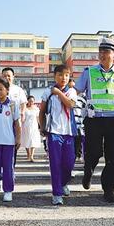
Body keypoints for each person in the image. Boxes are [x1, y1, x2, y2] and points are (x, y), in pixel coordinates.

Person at [74, 37, 114, 203]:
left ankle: (109, 190)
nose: (102, 55)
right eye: (100, 51)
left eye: (106, 52)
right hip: (94, 120)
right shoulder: (89, 72)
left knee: (112, 157)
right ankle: (88, 171)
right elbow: (76, 90)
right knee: (94, 152)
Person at [39, 65, 77, 205]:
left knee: (69, 162)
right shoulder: (47, 92)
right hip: (54, 132)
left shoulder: (71, 91)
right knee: (55, 163)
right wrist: (42, 127)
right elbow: (42, 111)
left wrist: (58, 93)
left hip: (68, 132)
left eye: (66, 75)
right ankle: (56, 194)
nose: (63, 78)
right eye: (60, 75)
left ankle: (63, 183)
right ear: (54, 76)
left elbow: (70, 105)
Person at [0, 67, 27, 164]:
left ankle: (10, 168)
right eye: (4, 76)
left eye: (9, 76)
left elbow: (23, 104)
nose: (7, 77)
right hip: (1, 123)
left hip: (14, 121)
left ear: (13, 77)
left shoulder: (18, 90)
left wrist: (22, 115)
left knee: (13, 146)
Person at [68, 79, 86, 162]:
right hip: (68, 124)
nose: (72, 89)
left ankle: (78, 155)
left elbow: (85, 111)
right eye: (70, 87)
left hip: (79, 124)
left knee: (78, 141)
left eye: (73, 87)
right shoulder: (64, 98)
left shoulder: (81, 99)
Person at [21, 96, 41, 161]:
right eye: (29, 101)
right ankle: (28, 155)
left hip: (34, 126)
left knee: (33, 140)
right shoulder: (25, 108)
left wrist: (40, 126)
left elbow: (38, 118)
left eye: (32, 101)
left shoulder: (36, 109)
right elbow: (22, 117)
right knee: (26, 140)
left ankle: (31, 156)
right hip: (25, 126)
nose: (31, 102)